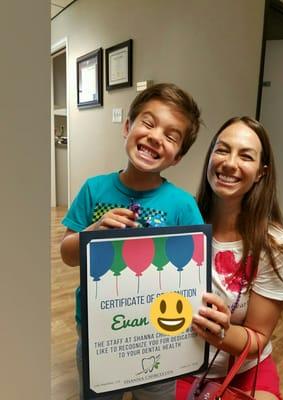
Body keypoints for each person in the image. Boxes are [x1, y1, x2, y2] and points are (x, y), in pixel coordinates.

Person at [60, 83, 203, 400]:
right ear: (127, 127)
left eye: (171, 135)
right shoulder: (93, 189)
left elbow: (196, 271)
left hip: (161, 332)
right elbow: (67, 254)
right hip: (99, 328)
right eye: (148, 123)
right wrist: (92, 232)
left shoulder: (182, 205)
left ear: (177, 157)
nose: (155, 136)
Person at [175, 116, 283, 400]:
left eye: (246, 156)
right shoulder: (179, 223)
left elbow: (257, 337)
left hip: (244, 368)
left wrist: (222, 332)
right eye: (222, 150)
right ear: (209, 158)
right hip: (182, 363)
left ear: (261, 172)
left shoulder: (276, 245)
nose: (230, 163)